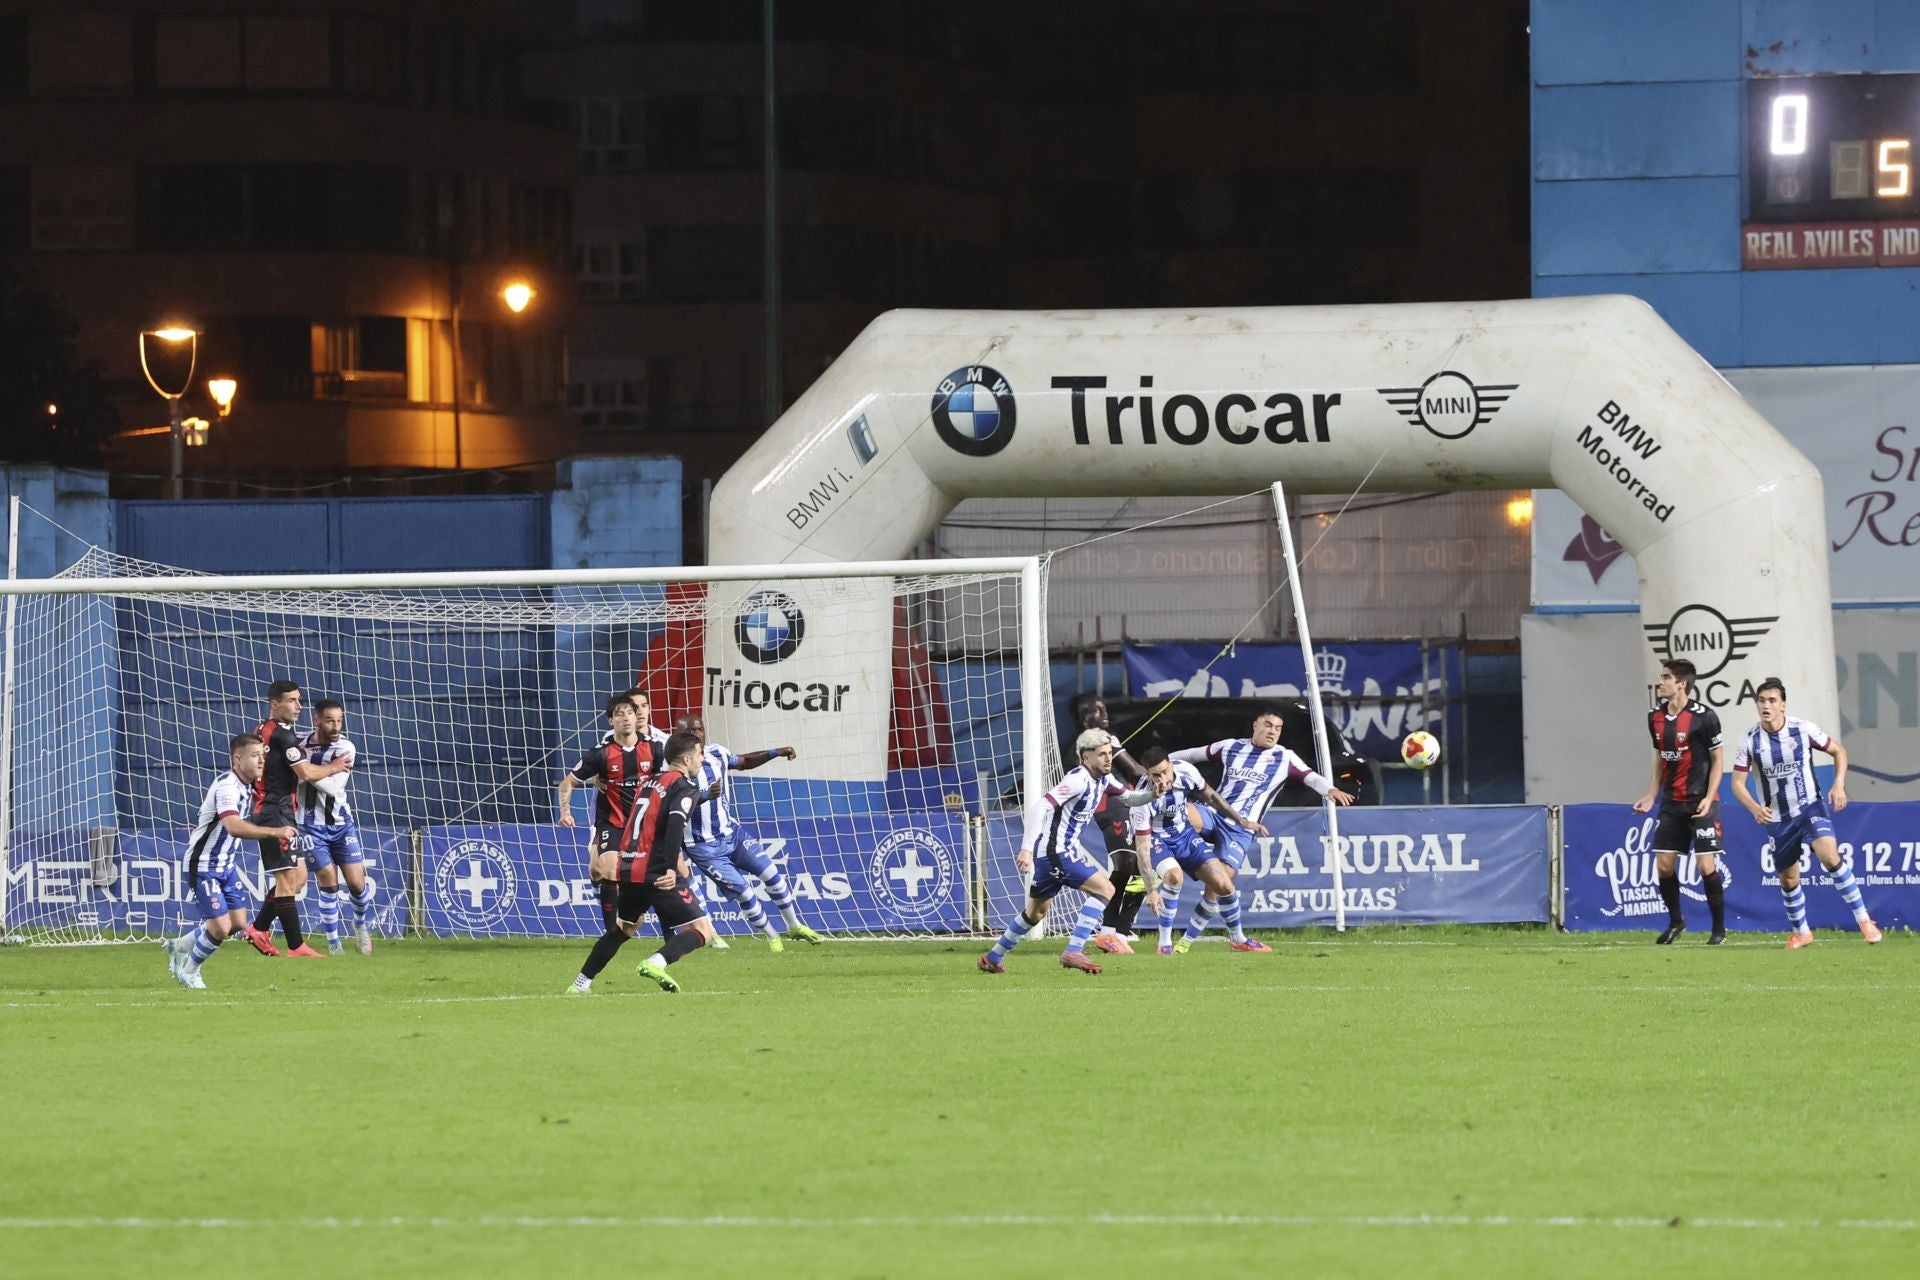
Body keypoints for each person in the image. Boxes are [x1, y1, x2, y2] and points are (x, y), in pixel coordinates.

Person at [1168, 707, 1354, 942]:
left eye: (1278, 728)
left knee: (1218, 884)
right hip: (1215, 813)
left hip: (1241, 829)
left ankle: (1188, 940)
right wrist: (1162, 764)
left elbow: (1311, 777)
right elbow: (1191, 755)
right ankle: (1161, 860)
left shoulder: (1285, 757)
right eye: (1267, 725)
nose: (1272, 731)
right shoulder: (1231, 747)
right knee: (1178, 812)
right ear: (1255, 725)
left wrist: (1330, 789)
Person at [977, 729, 1153, 975]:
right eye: (1101, 754)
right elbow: (1040, 807)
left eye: (1110, 753)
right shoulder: (1078, 780)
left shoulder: (1104, 779)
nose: (1108, 759)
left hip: (1055, 853)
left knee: (1036, 912)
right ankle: (1074, 951)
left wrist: (1155, 794)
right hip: (1055, 852)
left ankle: (993, 957)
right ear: (1085, 758)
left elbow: (1131, 799)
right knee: (1106, 889)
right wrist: (1026, 849)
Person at [1730, 677, 1882, 948]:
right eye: (1761, 701)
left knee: (1830, 856)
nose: (1766, 706)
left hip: (1810, 805)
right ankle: (1802, 932)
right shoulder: (1750, 740)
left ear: (1783, 705)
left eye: (1772, 701)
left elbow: (1838, 751)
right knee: (1788, 878)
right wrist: (1754, 808)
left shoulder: (1802, 729)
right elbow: (1737, 784)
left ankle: (1865, 921)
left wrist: (1838, 784)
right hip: (1778, 818)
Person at [567, 729, 714, 993]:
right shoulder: (683, 786)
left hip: (628, 866)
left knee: (623, 928)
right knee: (703, 930)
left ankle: (580, 984)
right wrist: (671, 867)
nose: (702, 759)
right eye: (700, 754)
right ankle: (656, 962)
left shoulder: (649, 782)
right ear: (687, 759)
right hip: (656, 870)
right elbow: (675, 826)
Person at [674, 713, 824, 950]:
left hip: (733, 834)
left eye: (699, 729)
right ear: (677, 734)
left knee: (773, 876)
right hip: (702, 846)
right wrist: (704, 796)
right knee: (745, 893)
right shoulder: (671, 769)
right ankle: (773, 937)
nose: (696, 734)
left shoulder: (717, 753)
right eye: (689, 731)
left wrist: (775, 752)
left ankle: (794, 926)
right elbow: (674, 802)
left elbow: (744, 762)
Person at [163, 735, 298, 989]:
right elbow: (233, 826)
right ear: (238, 759)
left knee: (237, 923)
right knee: (220, 927)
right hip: (203, 865)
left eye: (262, 755)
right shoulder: (228, 786)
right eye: (255, 755)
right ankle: (190, 972)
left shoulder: (246, 786)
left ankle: (178, 946)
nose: (262, 760)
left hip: (225, 866)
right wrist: (275, 832)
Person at [242, 680, 351, 958]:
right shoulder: (283, 736)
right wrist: (335, 766)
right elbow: (306, 773)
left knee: (298, 877)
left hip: (279, 811)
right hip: (275, 813)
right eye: (292, 701)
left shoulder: (262, 728)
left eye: (299, 700)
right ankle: (295, 945)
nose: (299, 706)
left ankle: (258, 928)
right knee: (288, 880)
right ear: (274, 704)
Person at [1130, 745, 1270, 955]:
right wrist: (1151, 891)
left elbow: (1211, 796)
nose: (1162, 779)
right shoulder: (1141, 799)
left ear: (1171, 765)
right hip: (1157, 839)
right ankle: (1164, 944)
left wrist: (1241, 820)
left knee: (1224, 884)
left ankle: (1239, 939)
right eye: (1155, 775)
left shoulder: (1186, 771)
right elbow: (1142, 847)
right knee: (1174, 877)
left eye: (1165, 771)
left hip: (1185, 834)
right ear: (1148, 774)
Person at [1632, 658, 1729, 944]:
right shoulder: (1654, 717)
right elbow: (1660, 757)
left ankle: (1719, 930)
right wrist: (1652, 794)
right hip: (1671, 803)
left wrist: (1709, 798)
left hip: (1701, 802)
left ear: (1681, 684)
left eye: (1665, 677)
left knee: (1706, 867)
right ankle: (1676, 921)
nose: (1659, 682)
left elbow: (1718, 758)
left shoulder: (1704, 716)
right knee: (1664, 865)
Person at [559, 694, 662, 935]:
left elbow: (667, 781)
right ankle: (611, 934)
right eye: (620, 714)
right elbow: (567, 783)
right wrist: (565, 811)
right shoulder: (600, 753)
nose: (626, 718)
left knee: (657, 874)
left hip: (643, 823)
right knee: (607, 869)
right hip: (611, 822)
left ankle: (667, 931)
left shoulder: (654, 749)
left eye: (630, 713)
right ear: (610, 721)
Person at [1067, 694, 1150, 953]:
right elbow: (1134, 771)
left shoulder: (1081, 743)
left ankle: (1117, 932)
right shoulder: (1102, 740)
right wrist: (1162, 777)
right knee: (1131, 863)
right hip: (1115, 805)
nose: (1104, 713)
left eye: (1104, 708)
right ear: (1083, 718)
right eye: (1096, 710)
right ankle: (1111, 931)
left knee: (1134, 866)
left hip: (1115, 805)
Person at [298, 699, 375, 955]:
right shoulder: (298, 744)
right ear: (317, 720)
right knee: (328, 882)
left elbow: (333, 787)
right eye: (330, 720)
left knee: (357, 885)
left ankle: (360, 925)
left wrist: (303, 770)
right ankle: (334, 944)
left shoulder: (345, 747)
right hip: (309, 826)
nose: (336, 726)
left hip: (341, 824)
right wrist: (321, 768)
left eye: (339, 720)